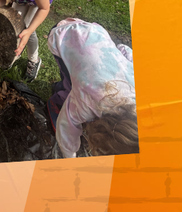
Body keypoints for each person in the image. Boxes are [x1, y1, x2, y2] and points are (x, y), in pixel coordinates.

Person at [47, 19, 138, 158]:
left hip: (97, 34)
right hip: (64, 35)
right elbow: (65, 125)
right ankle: (63, 91)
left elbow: (124, 49)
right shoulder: (87, 104)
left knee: (79, 85)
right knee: (70, 79)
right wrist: (70, 156)